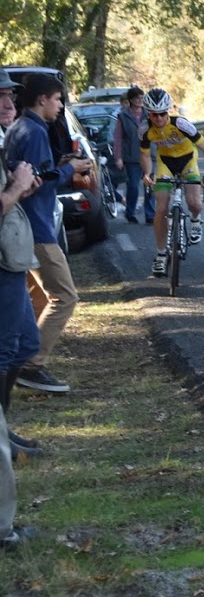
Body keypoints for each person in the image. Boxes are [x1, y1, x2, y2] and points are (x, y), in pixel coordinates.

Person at [4, 72, 92, 393]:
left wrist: (62, 164)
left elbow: (37, 172)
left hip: (20, 227)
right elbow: (40, 181)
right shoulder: (36, 130)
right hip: (37, 229)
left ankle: (15, 364)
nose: (59, 106)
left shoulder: (18, 128)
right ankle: (32, 364)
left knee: (38, 299)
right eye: (57, 100)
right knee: (66, 297)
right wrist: (72, 168)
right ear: (42, 100)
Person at [0, 149, 41, 549]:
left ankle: (4, 431)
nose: (9, 103)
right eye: (2, 96)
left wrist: (21, 188)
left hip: (11, 262)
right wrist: (15, 186)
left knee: (23, 343)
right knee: (6, 348)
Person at [140, 88, 204, 277]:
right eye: (154, 115)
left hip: (187, 161)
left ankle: (196, 219)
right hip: (165, 163)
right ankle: (160, 255)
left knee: (194, 203)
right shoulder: (144, 129)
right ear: (148, 113)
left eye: (162, 114)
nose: (158, 119)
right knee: (161, 209)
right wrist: (147, 173)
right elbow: (145, 154)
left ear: (168, 111)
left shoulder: (181, 124)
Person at [112, 86, 155, 224]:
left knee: (150, 186)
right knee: (133, 187)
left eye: (142, 98)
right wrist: (118, 157)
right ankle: (130, 212)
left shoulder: (149, 114)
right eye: (137, 98)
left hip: (148, 155)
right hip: (132, 157)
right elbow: (118, 138)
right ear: (130, 99)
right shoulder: (123, 116)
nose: (140, 100)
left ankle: (150, 214)